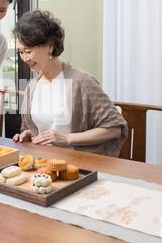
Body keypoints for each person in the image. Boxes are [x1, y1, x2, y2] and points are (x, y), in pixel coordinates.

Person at [12, 10, 128, 157]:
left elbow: (115, 128)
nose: (24, 58)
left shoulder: (82, 82)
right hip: (43, 164)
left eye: (28, 51)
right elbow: (33, 128)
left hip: (77, 165)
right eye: (20, 52)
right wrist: (30, 134)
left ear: (49, 46)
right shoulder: (32, 87)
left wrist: (67, 139)